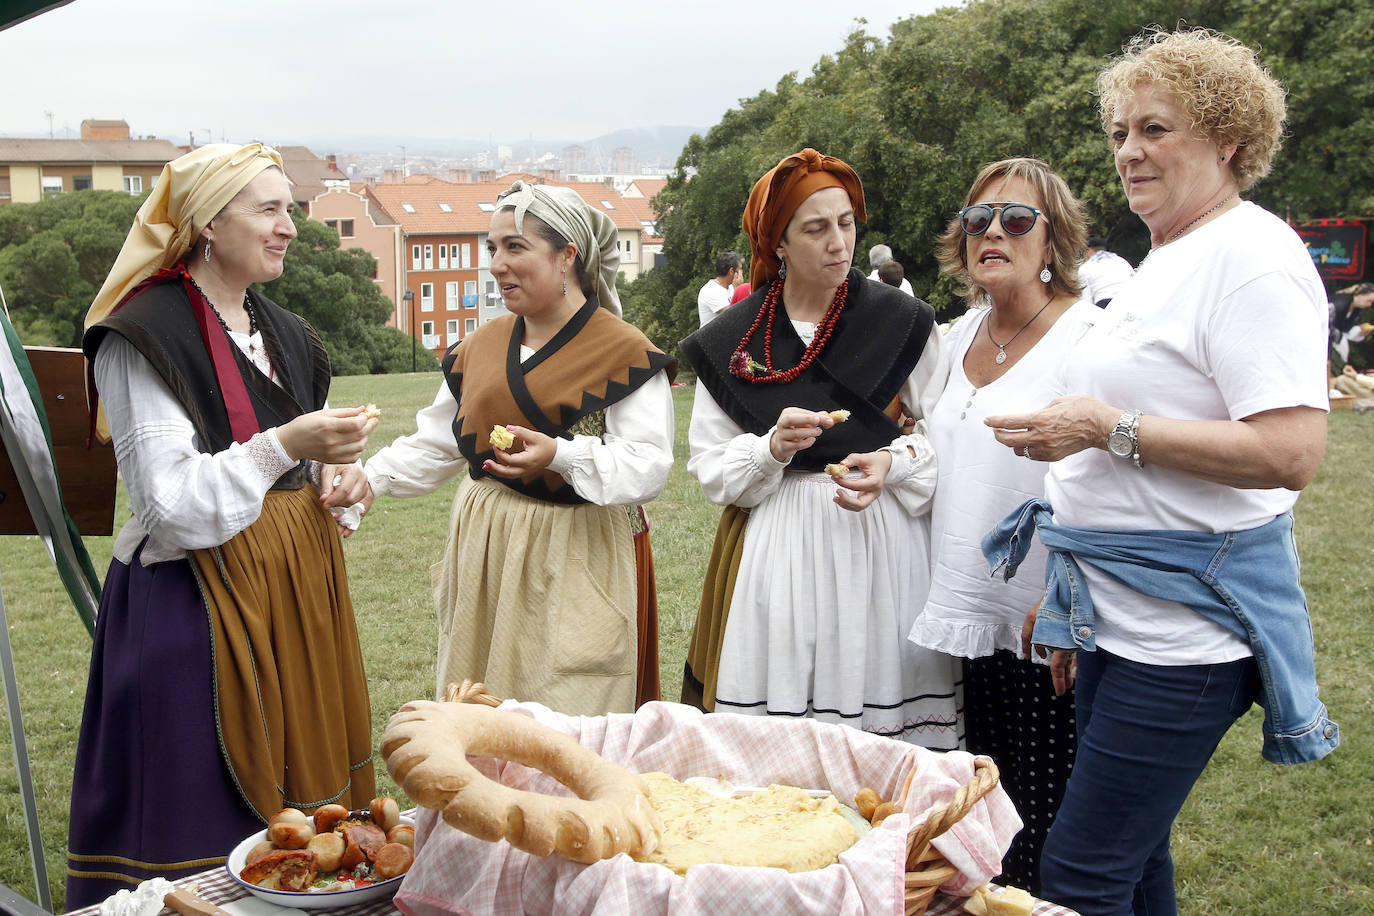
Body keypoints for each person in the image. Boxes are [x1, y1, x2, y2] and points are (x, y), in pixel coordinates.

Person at [982, 30, 1337, 914]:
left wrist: (1106, 428)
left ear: (1227, 139)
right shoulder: (1166, 256)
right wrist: (1076, 596)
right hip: (1120, 613)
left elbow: (1291, 452)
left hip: (1186, 634)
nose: (1129, 152)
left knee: (1081, 873)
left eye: (1154, 129)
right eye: (1119, 133)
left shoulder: (1252, 259)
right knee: (1134, 862)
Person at [68, 144, 378, 907]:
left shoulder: (287, 332)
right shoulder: (144, 336)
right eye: (268, 210)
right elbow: (170, 505)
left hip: (296, 600)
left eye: (289, 209)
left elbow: (298, 466)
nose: (289, 228)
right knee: (199, 821)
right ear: (207, 222)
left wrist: (339, 477)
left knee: (304, 834)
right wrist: (288, 446)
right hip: (198, 611)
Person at [678, 148, 959, 748]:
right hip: (780, 547)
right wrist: (771, 449)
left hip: (881, 542)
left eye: (847, 223)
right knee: (781, 738)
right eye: (815, 228)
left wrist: (894, 462)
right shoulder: (732, 340)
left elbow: (950, 435)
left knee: (883, 727)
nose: (839, 243)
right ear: (777, 242)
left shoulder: (902, 322)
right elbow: (710, 465)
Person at [364, 181, 676, 715]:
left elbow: (648, 466)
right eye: (492, 248)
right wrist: (370, 479)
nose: (496, 264)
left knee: (564, 709)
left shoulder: (623, 352)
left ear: (566, 256)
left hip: (574, 549)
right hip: (486, 544)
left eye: (515, 247)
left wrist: (561, 455)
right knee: (477, 704)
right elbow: (438, 443)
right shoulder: (481, 346)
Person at [909, 157, 1096, 894]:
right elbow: (932, 451)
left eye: (1017, 219)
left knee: (1051, 822)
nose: (993, 232)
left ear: (1054, 240)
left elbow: (1111, 479)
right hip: (966, 614)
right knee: (991, 819)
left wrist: (1070, 597)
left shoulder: (1087, 337)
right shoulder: (957, 337)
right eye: (977, 220)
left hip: (1045, 624)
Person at [1077, 237, 1134, 307]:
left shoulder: (1085, 267)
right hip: (1129, 301)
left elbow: (1086, 301)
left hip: (1104, 304)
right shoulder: (1122, 261)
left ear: (1089, 250)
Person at [1328, 281, 1373, 368]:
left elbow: (1347, 331)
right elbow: (1325, 323)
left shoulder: (1356, 310)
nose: (1369, 305)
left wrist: (1360, 332)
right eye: (1369, 301)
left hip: (1335, 349)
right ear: (1360, 295)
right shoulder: (1339, 303)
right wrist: (1339, 338)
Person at [698, 250, 743, 325]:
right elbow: (733, 315)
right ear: (731, 271)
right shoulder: (710, 290)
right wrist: (738, 288)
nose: (742, 272)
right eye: (740, 269)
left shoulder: (731, 287)